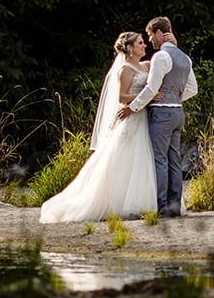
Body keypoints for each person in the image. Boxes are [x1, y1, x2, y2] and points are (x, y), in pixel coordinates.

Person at [38, 31, 160, 224]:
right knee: (124, 157)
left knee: (141, 158)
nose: (144, 45)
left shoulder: (145, 66)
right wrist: (149, 96)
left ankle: (142, 201)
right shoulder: (125, 69)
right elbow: (122, 97)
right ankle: (117, 202)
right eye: (140, 43)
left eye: (143, 42)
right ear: (129, 48)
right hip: (131, 118)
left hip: (142, 117)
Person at [118, 16, 196, 218]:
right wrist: (175, 98)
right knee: (174, 161)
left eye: (151, 35)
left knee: (160, 160)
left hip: (162, 114)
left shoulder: (161, 57)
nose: (150, 40)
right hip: (178, 113)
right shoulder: (185, 58)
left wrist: (133, 107)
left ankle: (162, 207)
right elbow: (192, 89)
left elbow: (152, 88)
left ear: (160, 33)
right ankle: (174, 207)